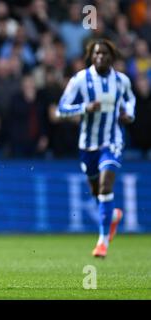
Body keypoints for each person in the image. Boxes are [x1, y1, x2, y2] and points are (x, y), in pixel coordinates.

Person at [57, 39, 135, 258]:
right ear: (91, 56)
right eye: (96, 54)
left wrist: (129, 114)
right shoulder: (81, 79)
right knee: (96, 191)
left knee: (105, 186)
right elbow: (61, 109)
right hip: (87, 144)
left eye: (105, 54)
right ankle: (112, 216)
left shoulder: (121, 81)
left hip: (112, 140)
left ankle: (102, 242)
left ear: (112, 57)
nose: (100, 57)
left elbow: (130, 100)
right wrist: (85, 107)